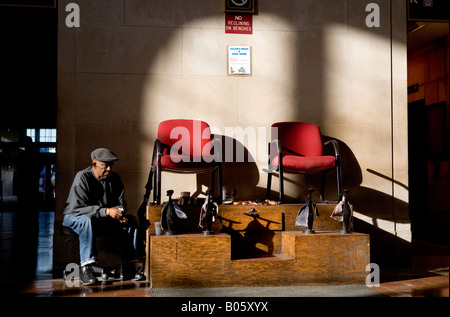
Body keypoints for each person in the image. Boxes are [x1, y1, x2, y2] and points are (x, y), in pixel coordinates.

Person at [62, 148, 143, 285]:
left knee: (131, 221)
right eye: (104, 166)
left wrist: (120, 213)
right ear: (94, 164)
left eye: (111, 166)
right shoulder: (82, 177)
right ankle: (85, 267)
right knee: (86, 220)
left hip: (100, 218)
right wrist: (106, 211)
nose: (109, 169)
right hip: (75, 216)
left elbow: (120, 203)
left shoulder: (114, 178)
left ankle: (128, 266)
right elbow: (78, 208)